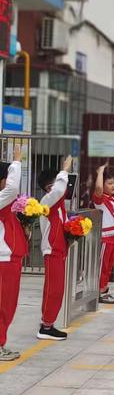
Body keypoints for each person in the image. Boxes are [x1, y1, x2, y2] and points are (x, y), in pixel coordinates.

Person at [36, 155, 73, 340]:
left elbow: (63, 222)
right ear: (48, 188)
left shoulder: (57, 203)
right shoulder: (47, 201)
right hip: (52, 250)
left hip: (59, 249)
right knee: (54, 289)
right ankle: (46, 327)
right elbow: (59, 190)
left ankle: (47, 323)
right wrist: (65, 169)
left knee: (55, 289)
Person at [0, 145, 28, 360]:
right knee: (3, 305)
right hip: (4, 260)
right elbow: (12, 189)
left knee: (9, 305)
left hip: (10, 259)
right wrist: (16, 161)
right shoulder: (3, 197)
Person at [93, 163, 114, 304]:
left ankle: (104, 291)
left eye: (113, 183)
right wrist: (101, 171)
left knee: (108, 267)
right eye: (109, 183)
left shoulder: (113, 199)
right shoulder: (100, 199)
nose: (113, 186)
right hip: (106, 239)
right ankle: (98, 292)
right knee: (102, 266)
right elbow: (98, 188)